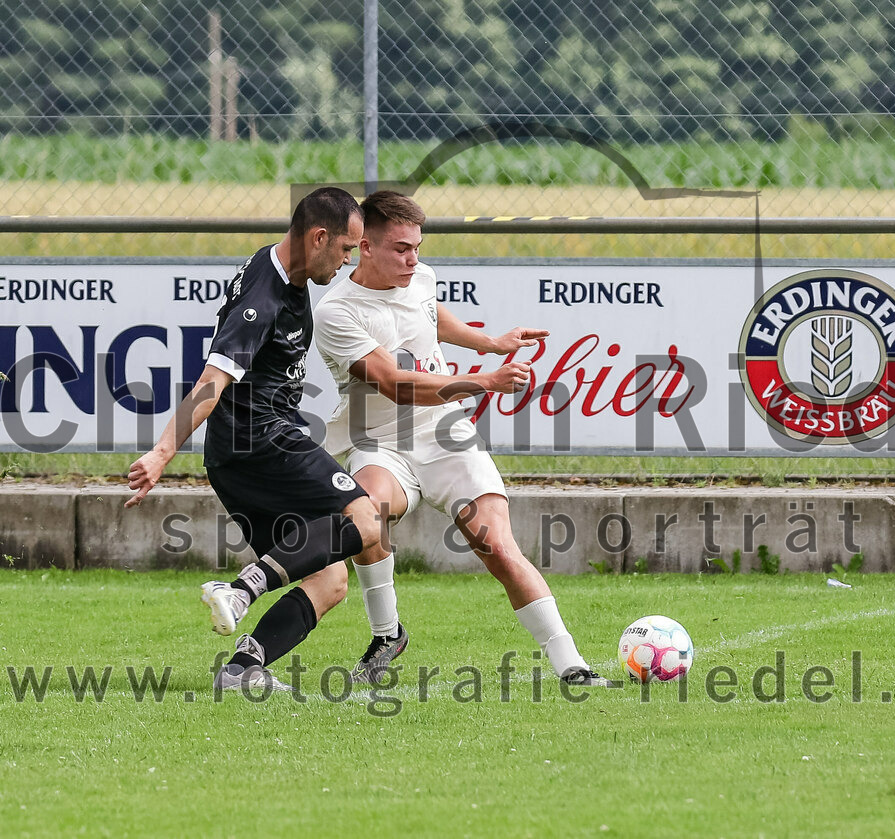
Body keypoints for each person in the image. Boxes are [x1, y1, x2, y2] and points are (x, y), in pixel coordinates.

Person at [312, 190, 611, 687]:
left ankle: (572, 668)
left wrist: (489, 342)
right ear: (363, 246)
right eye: (400, 248)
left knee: (497, 547)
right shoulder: (337, 311)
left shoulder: (420, 277)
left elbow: (429, 315)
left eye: (418, 247)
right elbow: (395, 385)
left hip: (446, 435)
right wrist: (487, 379)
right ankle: (388, 635)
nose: (413, 259)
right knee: (365, 516)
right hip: (381, 440)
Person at [125, 187, 385, 692]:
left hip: (235, 455)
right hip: (260, 440)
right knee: (367, 519)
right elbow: (210, 384)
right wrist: (161, 454)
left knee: (329, 581)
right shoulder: (262, 298)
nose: (349, 261)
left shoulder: (283, 267)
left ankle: (242, 670)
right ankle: (241, 591)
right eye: (347, 249)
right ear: (319, 237)